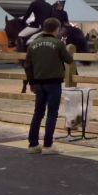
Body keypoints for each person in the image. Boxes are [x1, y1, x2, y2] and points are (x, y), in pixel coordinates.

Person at [24, 17, 73, 155]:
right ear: (57, 29)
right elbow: (69, 60)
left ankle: (33, 144)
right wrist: (63, 45)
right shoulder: (57, 43)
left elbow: (27, 66)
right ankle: (48, 145)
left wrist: (31, 82)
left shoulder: (33, 44)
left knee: (38, 113)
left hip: (38, 83)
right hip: (54, 83)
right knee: (52, 114)